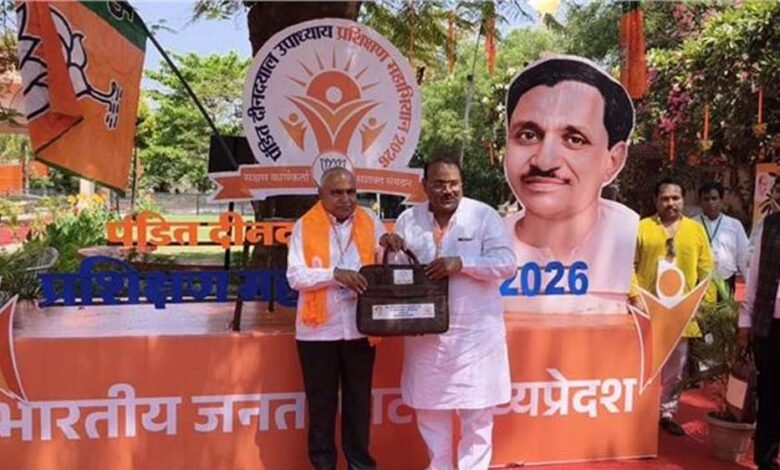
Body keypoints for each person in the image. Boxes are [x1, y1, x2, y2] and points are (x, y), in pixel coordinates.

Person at [390, 155, 516, 470]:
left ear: (462, 184)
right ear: (424, 186)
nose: (447, 190)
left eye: (453, 184)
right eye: (439, 184)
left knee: (478, 417)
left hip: (476, 337)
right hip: (426, 337)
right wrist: (391, 251)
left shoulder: (483, 216)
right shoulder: (408, 219)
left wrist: (462, 264)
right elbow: (398, 272)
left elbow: (506, 264)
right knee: (430, 413)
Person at [286, 166, 403, 470]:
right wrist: (335, 275)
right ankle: (323, 465)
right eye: (337, 192)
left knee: (358, 404)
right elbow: (295, 276)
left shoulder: (370, 220)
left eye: (351, 192)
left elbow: (384, 262)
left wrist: (391, 246)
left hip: (359, 328)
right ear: (320, 195)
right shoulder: (304, 225)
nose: (346, 198)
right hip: (317, 333)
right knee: (321, 406)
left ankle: (360, 465)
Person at [503, 55, 639, 315]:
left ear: (613, 160)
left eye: (574, 139)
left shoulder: (631, 235)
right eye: (528, 135)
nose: (544, 161)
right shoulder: (488, 242)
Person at [631, 176, 715, 437]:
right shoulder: (642, 227)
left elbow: (706, 268)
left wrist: (703, 304)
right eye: (665, 198)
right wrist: (635, 296)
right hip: (648, 309)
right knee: (642, 363)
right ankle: (637, 410)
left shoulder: (695, 230)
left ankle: (666, 412)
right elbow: (629, 264)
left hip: (681, 313)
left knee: (675, 368)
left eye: (675, 198)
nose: (671, 203)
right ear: (656, 200)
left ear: (683, 200)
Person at [739, 211, 780, 470]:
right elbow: (753, 276)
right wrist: (745, 321)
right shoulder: (771, 225)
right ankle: (766, 460)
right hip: (770, 326)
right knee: (769, 395)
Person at [696, 181, 749, 296]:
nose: (711, 202)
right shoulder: (692, 224)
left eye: (714, 198)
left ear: (721, 200)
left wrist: (749, 283)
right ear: (700, 202)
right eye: (706, 199)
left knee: (725, 308)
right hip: (699, 282)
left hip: (726, 280)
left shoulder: (734, 225)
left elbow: (744, 255)